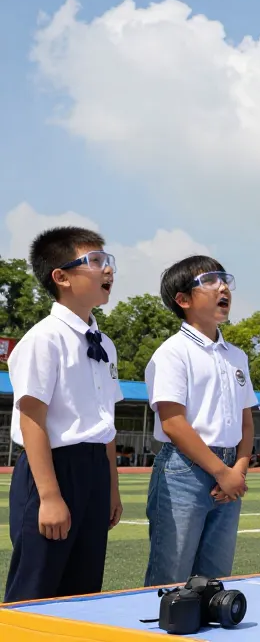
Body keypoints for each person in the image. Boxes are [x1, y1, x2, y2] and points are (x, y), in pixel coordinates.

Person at [4, 227, 123, 603]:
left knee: (84, 590)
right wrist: (50, 497)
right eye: (96, 262)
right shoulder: (45, 338)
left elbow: (106, 423)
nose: (108, 271)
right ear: (62, 277)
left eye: (108, 262)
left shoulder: (104, 343)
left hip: (94, 470)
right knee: (36, 589)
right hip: (54, 470)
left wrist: (112, 487)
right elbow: (32, 419)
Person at [143, 256, 257, 586]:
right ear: (183, 300)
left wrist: (239, 468)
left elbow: (246, 421)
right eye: (209, 280)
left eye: (224, 279)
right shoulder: (172, 352)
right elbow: (174, 423)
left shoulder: (236, 356)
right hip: (184, 470)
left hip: (229, 470)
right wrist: (223, 472)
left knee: (215, 577)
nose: (223, 287)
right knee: (171, 578)